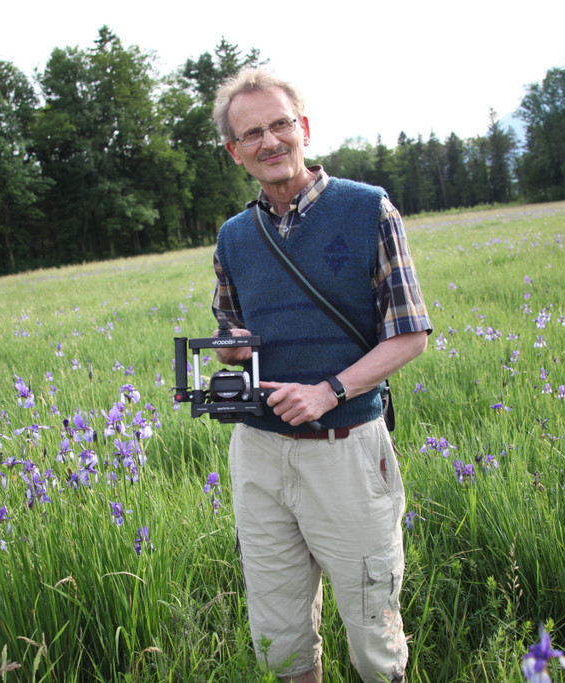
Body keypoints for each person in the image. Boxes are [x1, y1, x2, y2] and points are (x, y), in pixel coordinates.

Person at [209, 67, 433, 683]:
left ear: (303, 128)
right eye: (251, 133)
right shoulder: (234, 237)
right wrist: (231, 350)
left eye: (280, 124)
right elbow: (230, 330)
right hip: (257, 453)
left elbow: (410, 334)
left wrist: (329, 390)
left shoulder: (367, 210)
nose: (269, 141)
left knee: (372, 627)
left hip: (347, 452)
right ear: (236, 153)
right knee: (278, 634)